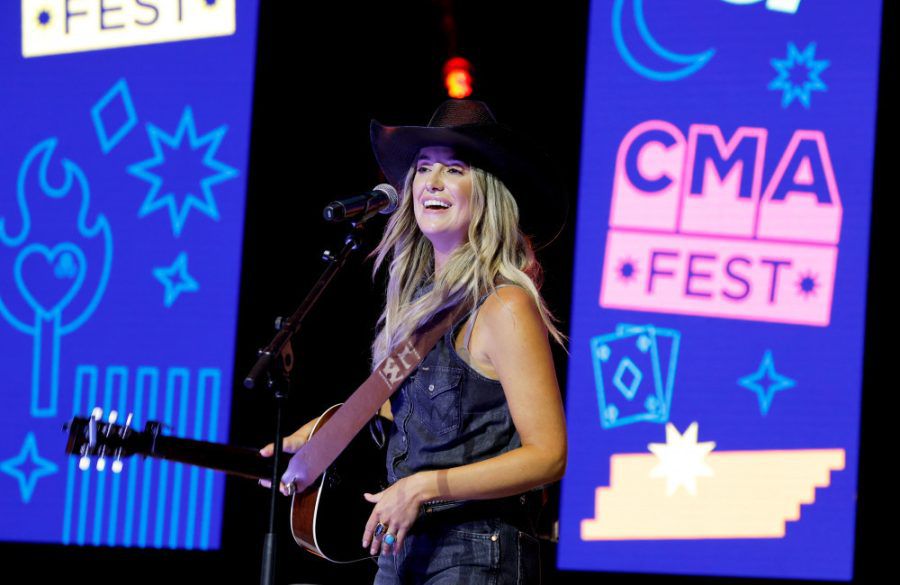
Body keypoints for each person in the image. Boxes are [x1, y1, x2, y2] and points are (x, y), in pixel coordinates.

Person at [262, 99, 567, 584]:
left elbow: (548, 454)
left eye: (453, 169)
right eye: (423, 169)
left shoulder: (505, 305)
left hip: (476, 550)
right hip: (398, 547)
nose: (432, 181)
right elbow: (425, 415)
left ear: (486, 192)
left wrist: (423, 487)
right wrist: (324, 435)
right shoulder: (417, 306)